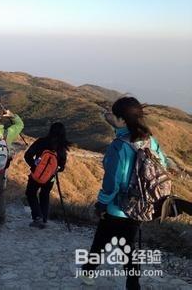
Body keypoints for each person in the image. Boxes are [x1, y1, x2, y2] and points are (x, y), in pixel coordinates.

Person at [80, 97, 168, 290]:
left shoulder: (119, 146)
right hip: (142, 204)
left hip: (117, 207)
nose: (111, 117)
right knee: (126, 245)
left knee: (104, 239)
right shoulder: (150, 140)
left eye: (114, 115)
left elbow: (112, 183)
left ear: (122, 120)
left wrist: (102, 204)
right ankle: (127, 282)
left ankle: (90, 273)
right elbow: (164, 164)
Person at [24, 122, 69, 229]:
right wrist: (52, 170)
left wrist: (34, 166)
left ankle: (37, 217)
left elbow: (27, 155)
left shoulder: (41, 141)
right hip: (50, 178)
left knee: (30, 193)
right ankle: (43, 219)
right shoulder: (61, 148)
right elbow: (61, 167)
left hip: (35, 174)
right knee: (44, 195)